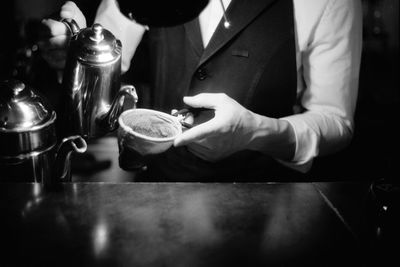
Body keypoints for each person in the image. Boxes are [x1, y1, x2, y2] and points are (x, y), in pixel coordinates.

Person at [40, 0, 363, 181]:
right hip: (159, 192)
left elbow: (335, 120)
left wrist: (257, 132)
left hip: (265, 201)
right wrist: (74, 53)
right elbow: (108, 49)